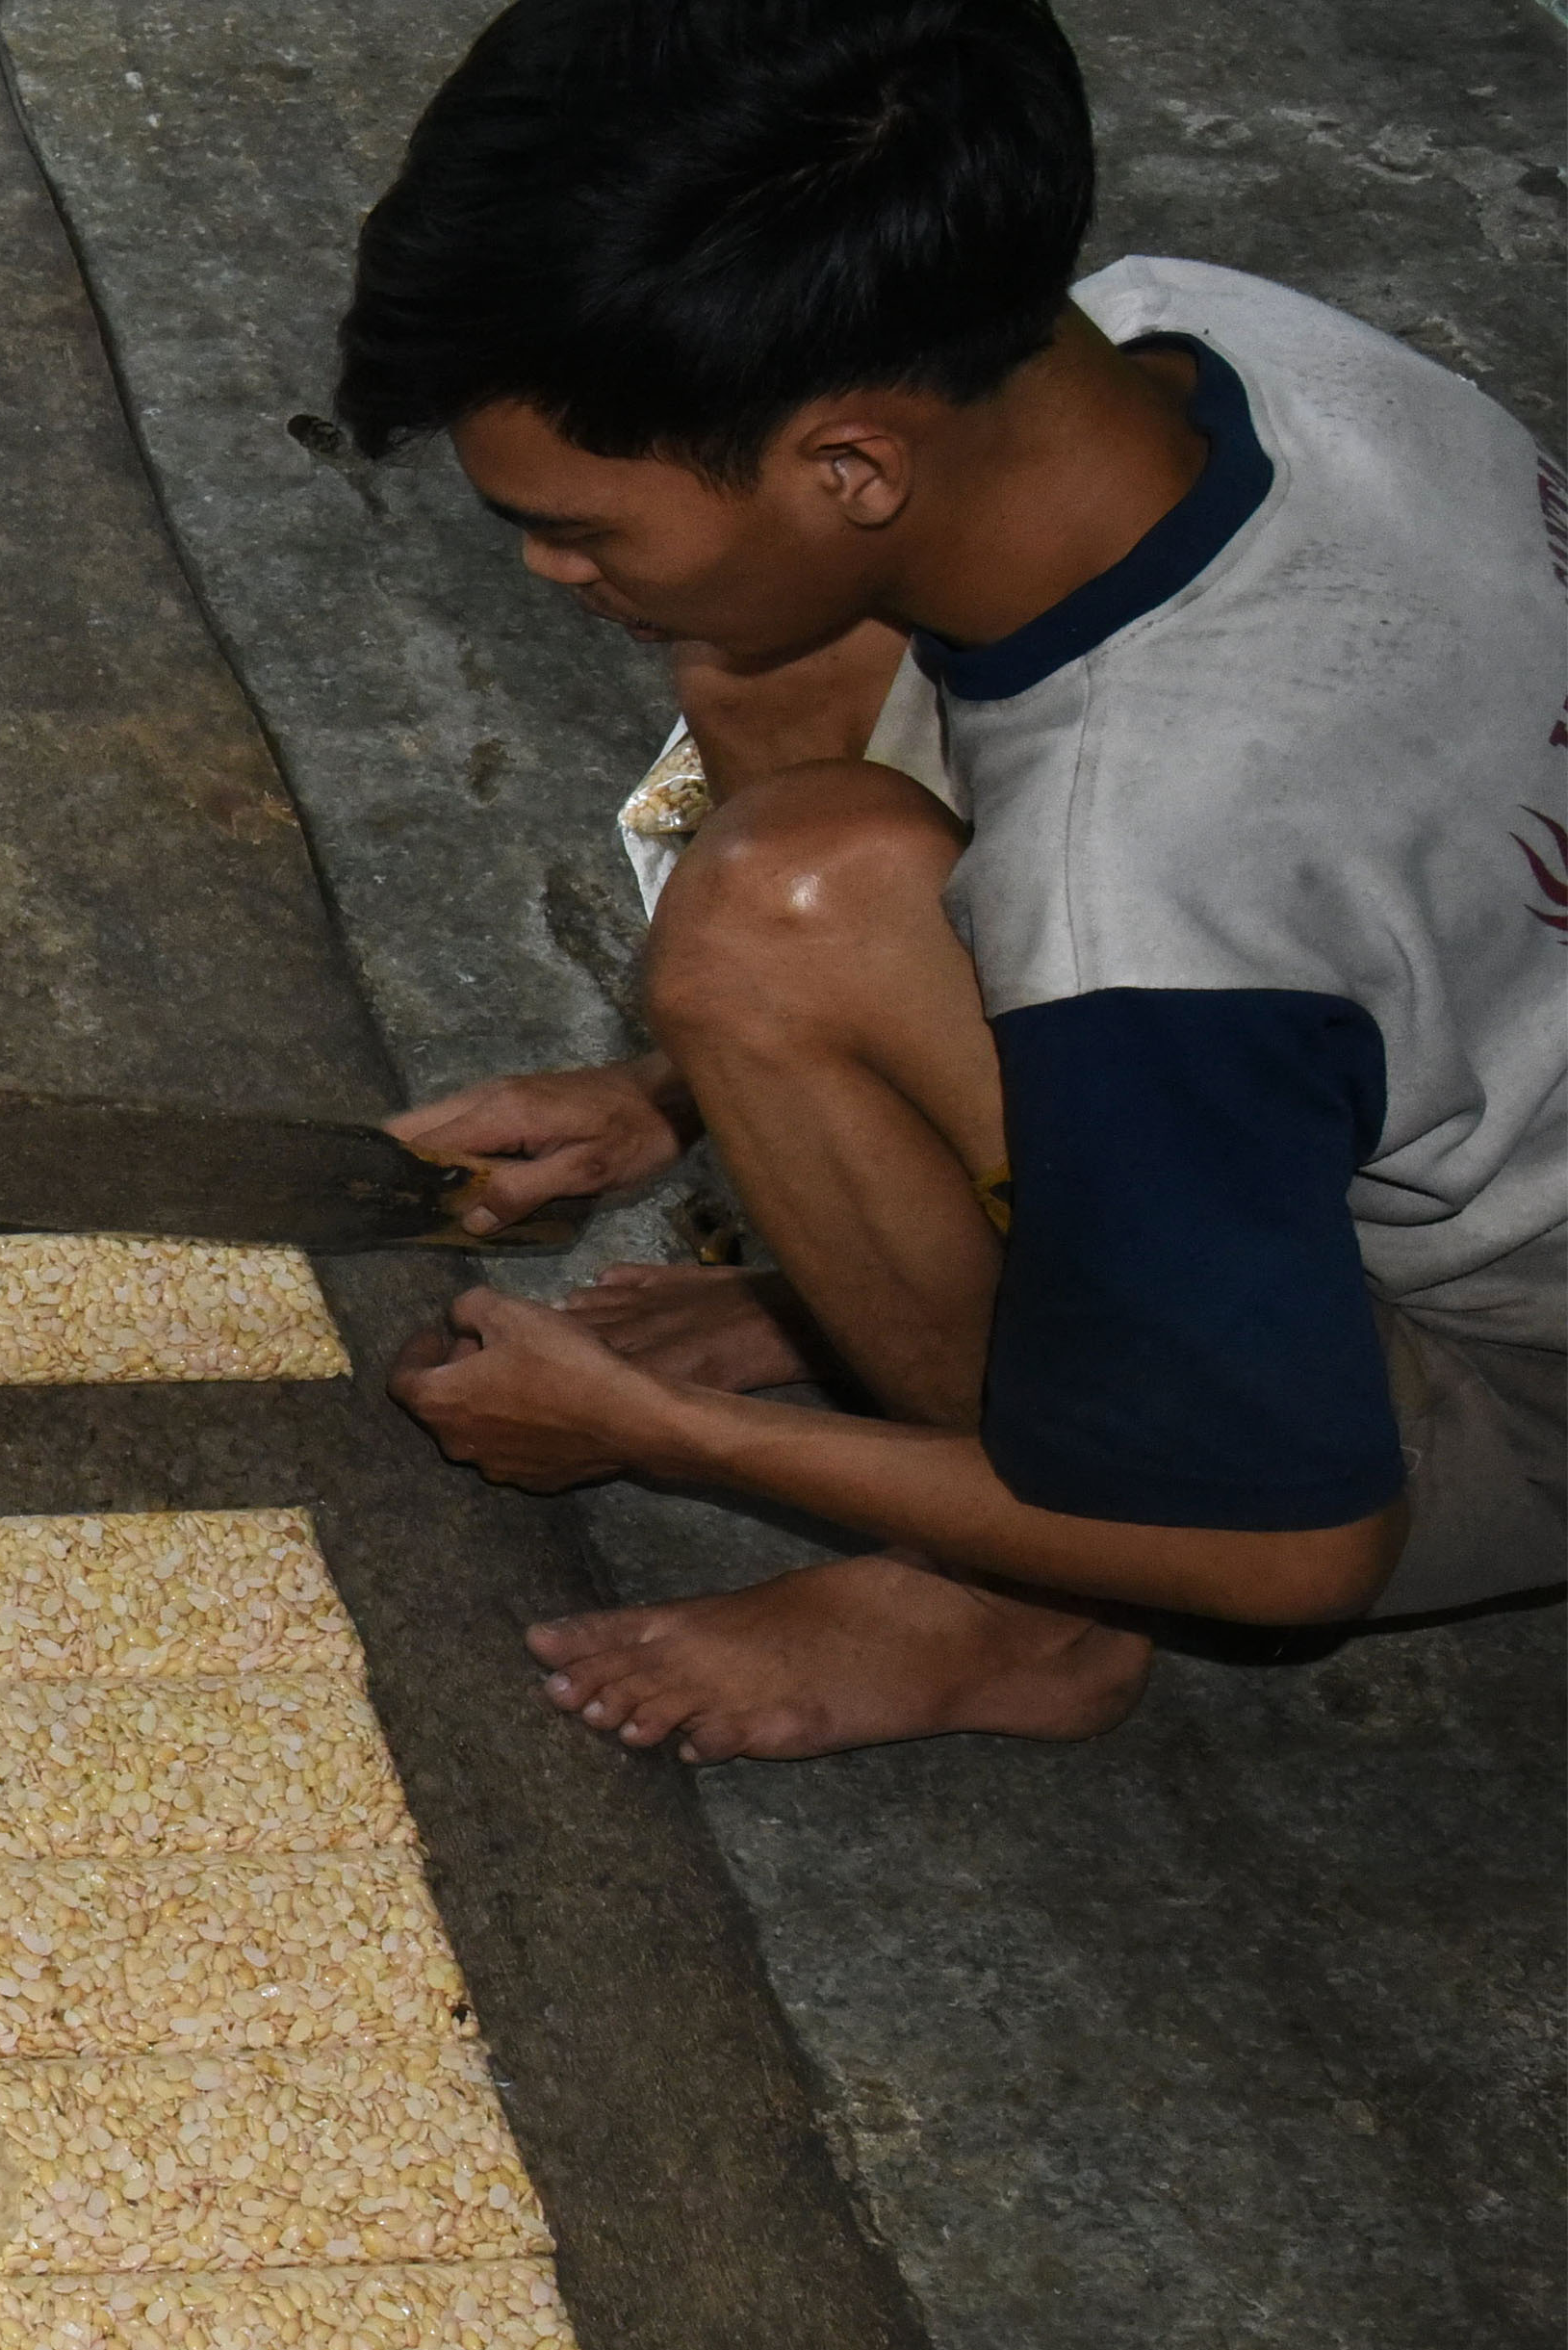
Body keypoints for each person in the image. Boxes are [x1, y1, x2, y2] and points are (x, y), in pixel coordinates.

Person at [335, 0, 1568, 1762]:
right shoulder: (1196, 327)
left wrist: (676, 1434)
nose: (546, 570)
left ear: (853, 460)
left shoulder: (1146, 895)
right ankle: (913, 1277)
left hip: (1510, 1391)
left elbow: (1297, 1550)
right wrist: (670, 1101)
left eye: (584, 526)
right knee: (766, 644)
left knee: (784, 920)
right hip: (1386, 1049)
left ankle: (1026, 1609)